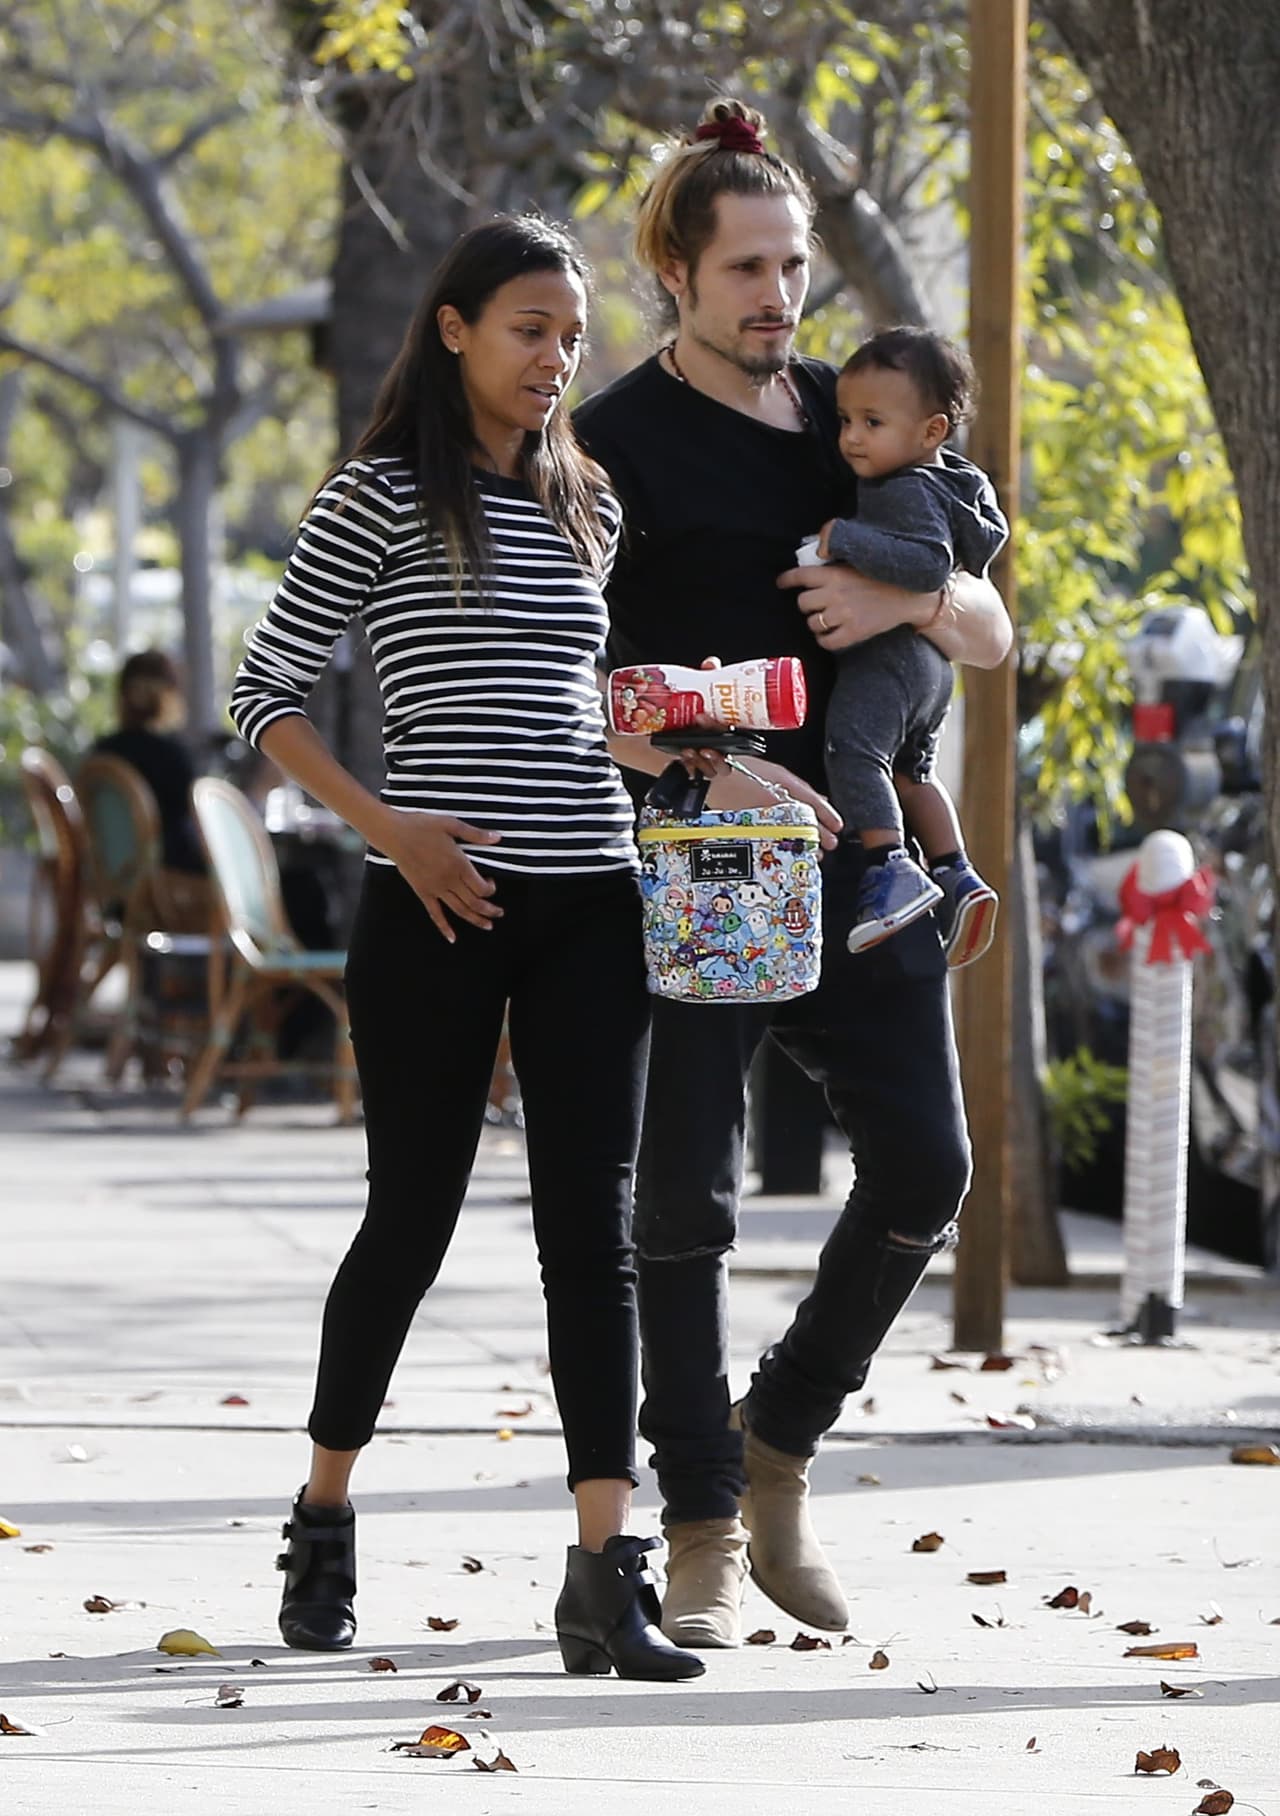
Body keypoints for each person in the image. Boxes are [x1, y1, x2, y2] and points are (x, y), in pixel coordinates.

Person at [229, 214, 702, 1683]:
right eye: (527, 330)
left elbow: (584, 710)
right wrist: (394, 831)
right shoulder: (380, 495)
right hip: (431, 903)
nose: (556, 358)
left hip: (592, 902)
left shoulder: (592, 508)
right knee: (411, 1220)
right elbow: (266, 697)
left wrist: (688, 750)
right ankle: (321, 1513)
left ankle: (601, 1572)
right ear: (454, 329)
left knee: (593, 1236)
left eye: (572, 335)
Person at [574, 99, 1013, 1650]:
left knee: (926, 1173)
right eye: (747, 268)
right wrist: (699, 757)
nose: (778, 297)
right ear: (677, 276)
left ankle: (778, 1453)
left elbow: (996, 626)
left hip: (867, 863)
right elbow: (580, 684)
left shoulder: (863, 413)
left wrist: (912, 594)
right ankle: (697, 1524)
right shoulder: (610, 445)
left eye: (793, 265)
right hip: (705, 867)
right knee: (684, 1202)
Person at [807, 325, 1008, 963]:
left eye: (872, 421)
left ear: (931, 431)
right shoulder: (951, 481)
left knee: (854, 750)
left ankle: (890, 867)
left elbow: (926, 564)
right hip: (930, 665)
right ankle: (955, 871)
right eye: (844, 420)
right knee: (910, 772)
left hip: (890, 658)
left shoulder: (906, 486)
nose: (852, 438)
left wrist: (843, 538)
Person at [95, 650, 210, 930]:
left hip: (112, 886)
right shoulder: (172, 755)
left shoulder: (101, 755)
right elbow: (199, 825)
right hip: (173, 888)